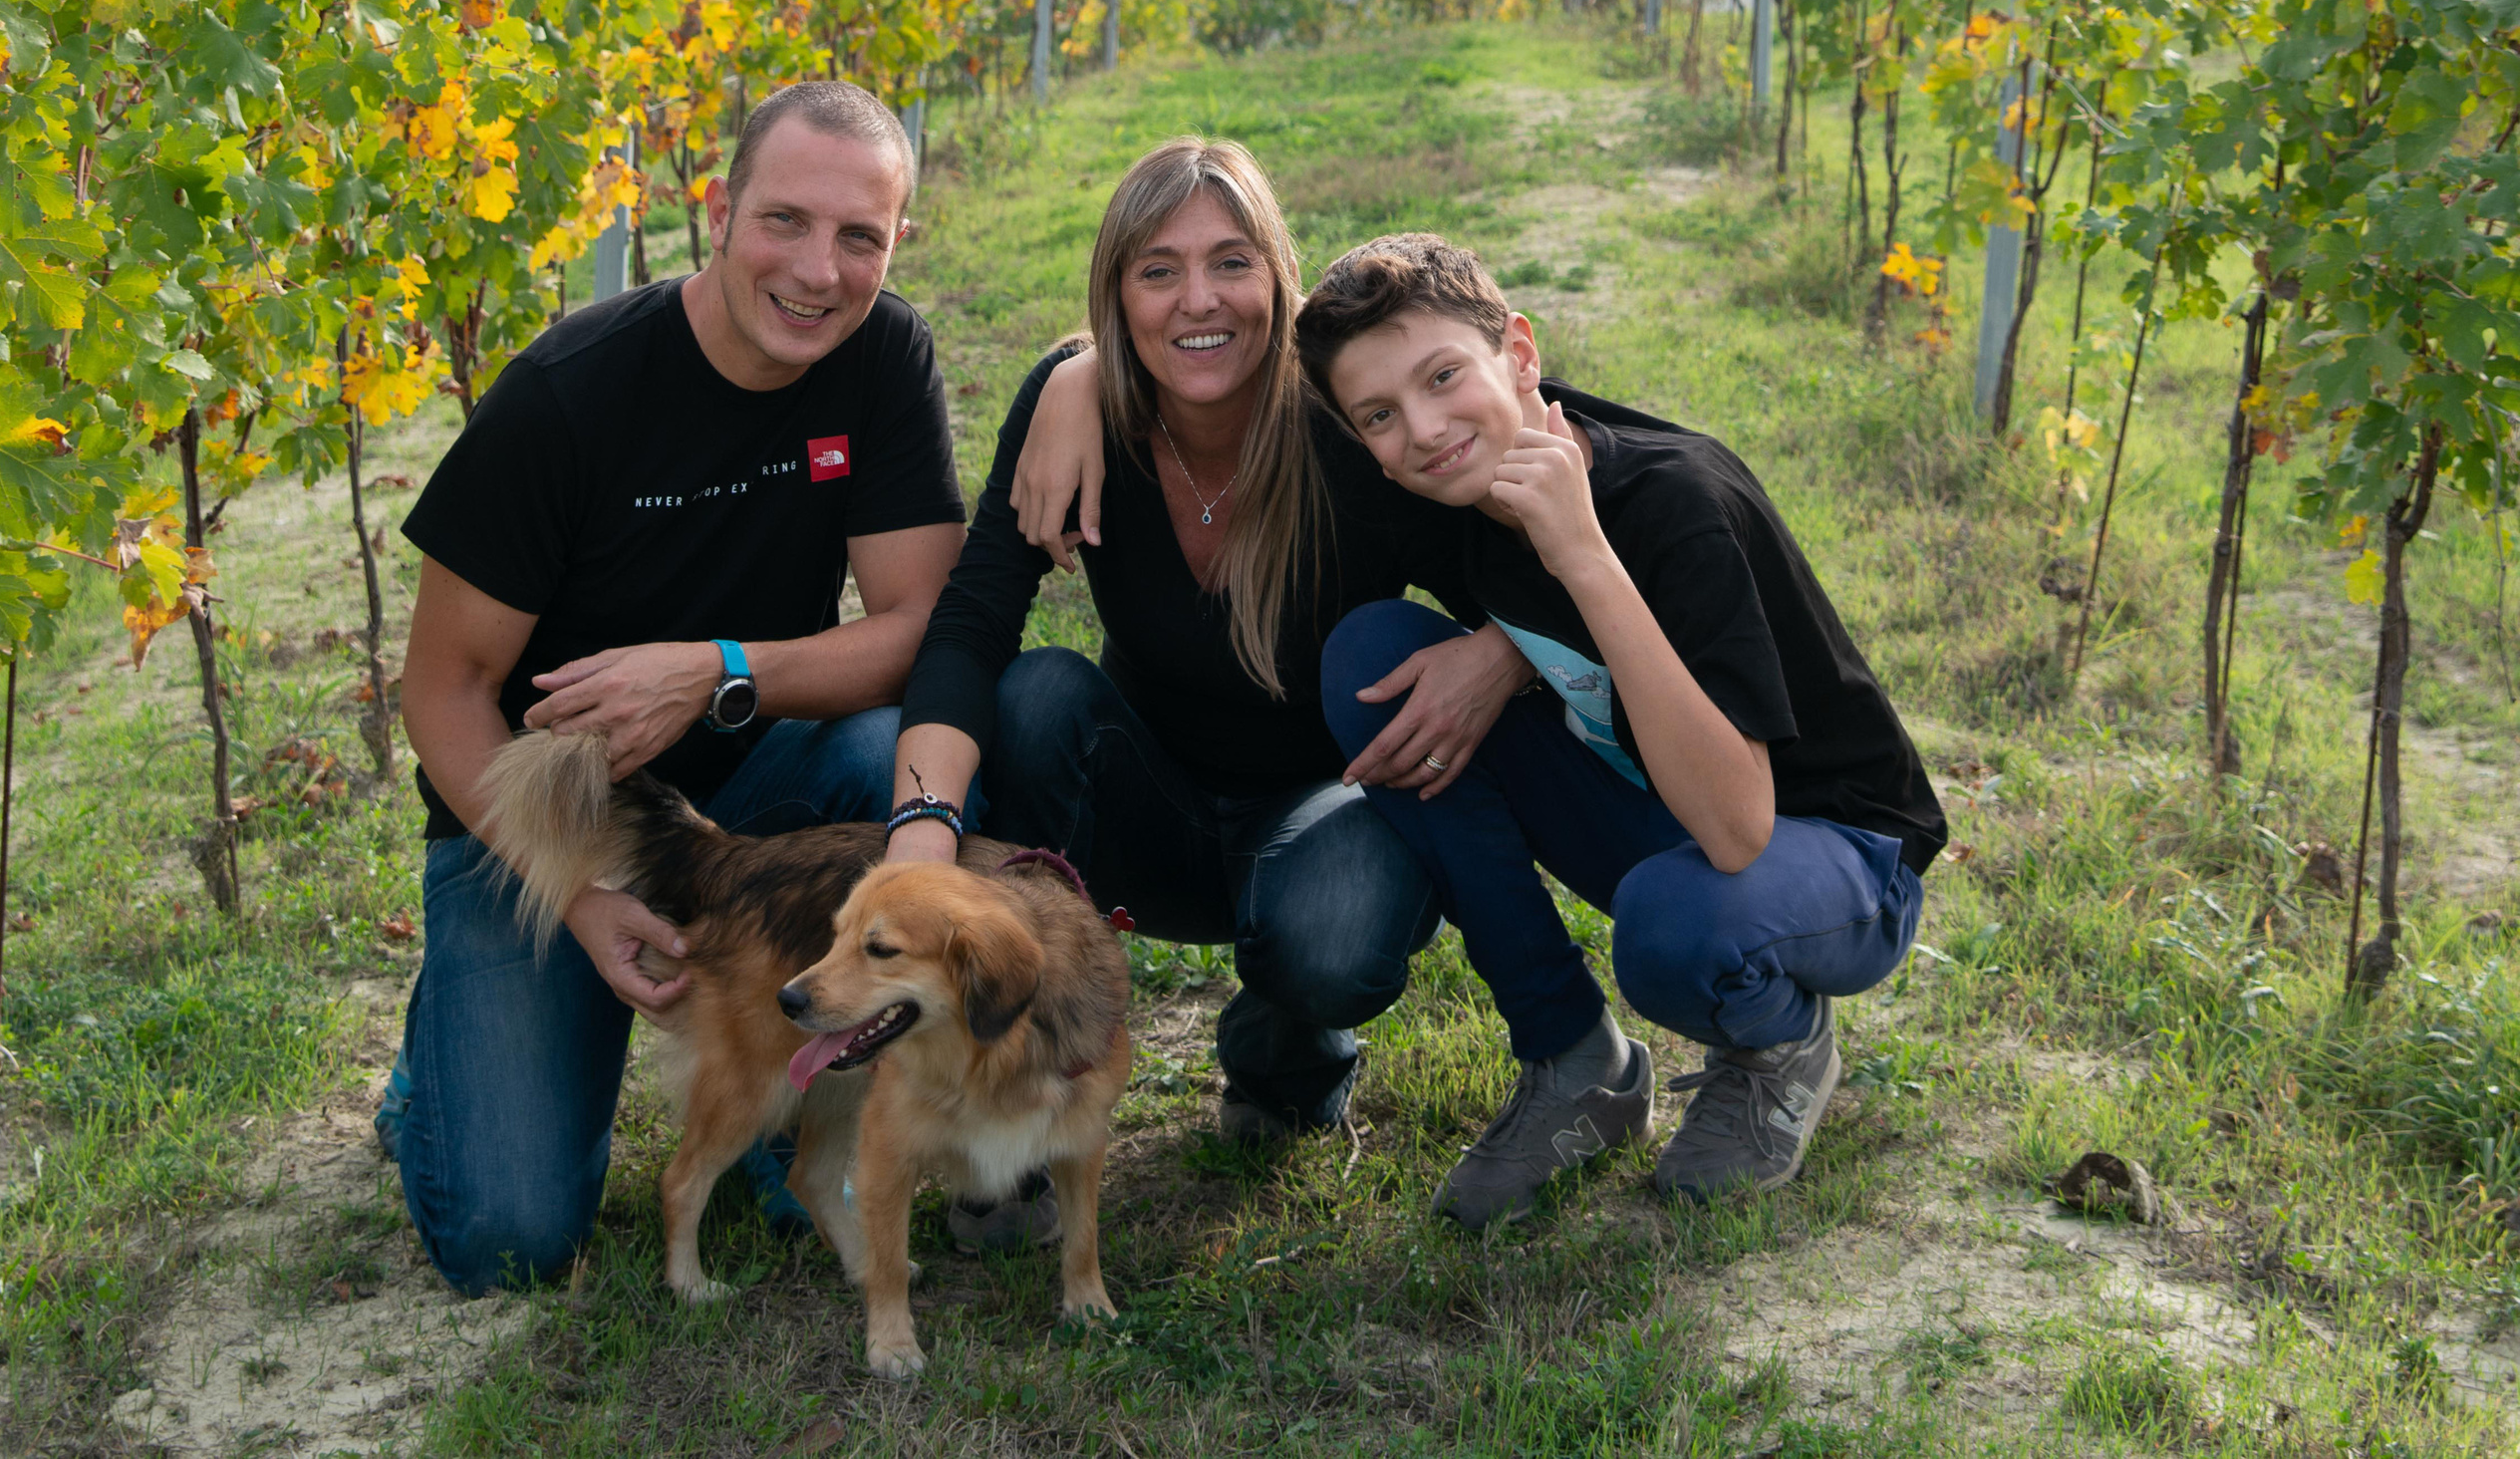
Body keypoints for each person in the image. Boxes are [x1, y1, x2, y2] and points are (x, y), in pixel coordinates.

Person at [380, 81, 971, 1294]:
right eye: (785, 222)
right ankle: (432, 1077)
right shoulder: (567, 395)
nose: (819, 270)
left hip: (756, 803)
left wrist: (719, 671)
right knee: (511, 1239)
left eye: (861, 236)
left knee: (886, 750)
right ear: (718, 208)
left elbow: (919, 628)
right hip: (552, 822)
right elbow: (443, 689)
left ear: (897, 242)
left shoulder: (881, 356)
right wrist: (584, 895)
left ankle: (790, 1104)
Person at [885, 139, 1535, 1141]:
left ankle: (1285, 1056)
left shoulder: (1354, 428)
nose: (1199, 300)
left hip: (1326, 811)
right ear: (1117, 297)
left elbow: (1532, 560)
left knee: (1328, 929)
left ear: (1275, 277)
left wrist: (1499, 653)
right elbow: (973, 620)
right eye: (1159, 270)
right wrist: (921, 832)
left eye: (1230, 262)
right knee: (1037, 695)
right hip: (1145, 807)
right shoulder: (1077, 407)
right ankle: (1024, 1080)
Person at [1300, 233, 1944, 1229]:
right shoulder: (1437, 484)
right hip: (1663, 806)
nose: (1423, 429)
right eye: (1377, 415)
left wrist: (1581, 562)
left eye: (1442, 377)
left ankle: (1778, 1045)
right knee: (1371, 661)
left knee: (1677, 921)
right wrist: (1077, 381)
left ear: (1519, 353)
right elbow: (1225, 376)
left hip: (1832, 851)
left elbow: (1737, 830)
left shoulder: (1674, 502)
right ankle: (1572, 1061)